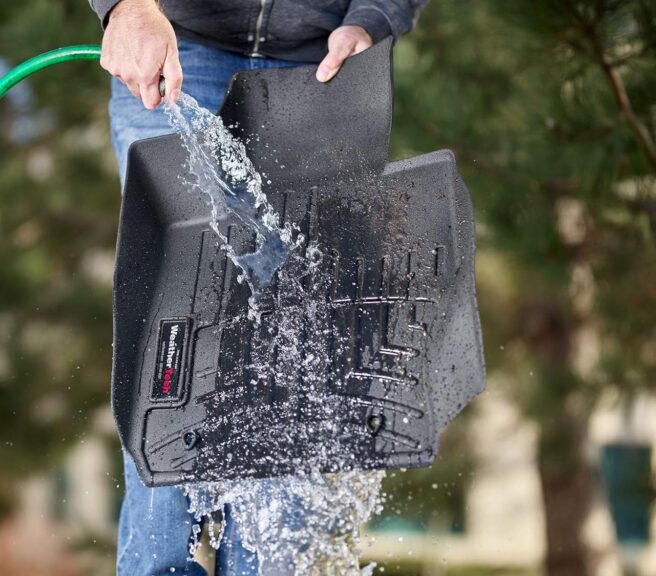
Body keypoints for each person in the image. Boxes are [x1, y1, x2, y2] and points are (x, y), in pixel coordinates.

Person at [87, 1, 428, 574]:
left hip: (322, 68)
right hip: (177, 50)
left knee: (300, 337)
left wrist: (373, 17)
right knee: (179, 322)